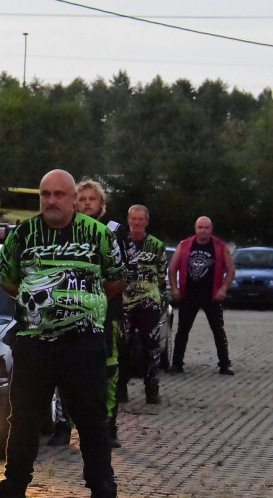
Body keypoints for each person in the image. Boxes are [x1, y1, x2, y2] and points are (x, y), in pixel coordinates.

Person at [0, 169, 125, 498]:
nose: (52, 201)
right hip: (34, 344)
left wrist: (77, 308)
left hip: (84, 344)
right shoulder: (23, 235)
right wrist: (43, 308)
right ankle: (13, 495)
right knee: (24, 421)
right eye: (45, 194)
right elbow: (9, 280)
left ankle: (104, 497)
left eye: (59, 194)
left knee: (93, 422)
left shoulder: (98, 235)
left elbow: (115, 280)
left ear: (75, 199)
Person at [48, 179, 125, 448]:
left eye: (93, 199)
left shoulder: (114, 231)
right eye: (82, 199)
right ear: (74, 201)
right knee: (63, 371)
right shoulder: (60, 230)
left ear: (102, 204)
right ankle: (62, 426)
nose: (87, 203)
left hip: (106, 312)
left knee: (108, 371)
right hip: (67, 311)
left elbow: (118, 274)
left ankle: (107, 427)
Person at [168, 216, 236, 375]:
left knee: (218, 330)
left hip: (211, 295)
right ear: (195, 229)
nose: (203, 231)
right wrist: (174, 288)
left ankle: (224, 364)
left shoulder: (220, 246)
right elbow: (172, 269)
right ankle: (177, 363)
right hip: (189, 294)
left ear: (211, 229)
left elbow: (231, 271)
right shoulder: (185, 245)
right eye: (200, 227)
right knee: (182, 330)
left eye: (206, 227)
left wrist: (223, 289)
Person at [117, 205, 167, 404]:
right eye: (133, 219)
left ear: (146, 221)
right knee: (122, 347)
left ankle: (151, 389)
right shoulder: (120, 243)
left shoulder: (156, 245)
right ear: (128, 220)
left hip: (149, 305)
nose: (136, 223)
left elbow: (162, 276)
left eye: (140, 219)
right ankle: (120, 389)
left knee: (152, 347)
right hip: (125, 305)